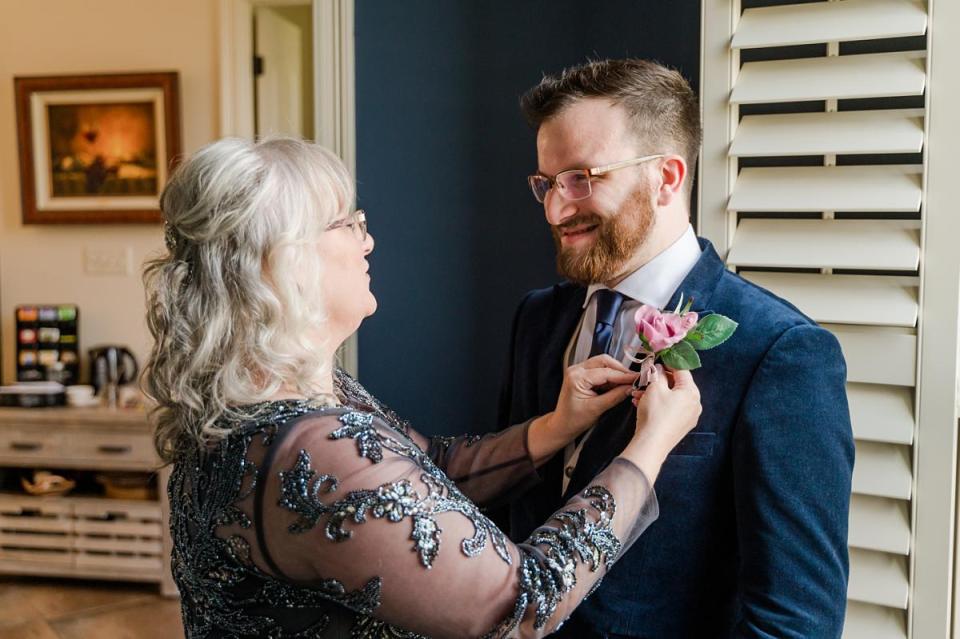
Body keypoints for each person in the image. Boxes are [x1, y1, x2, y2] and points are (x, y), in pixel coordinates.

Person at [143, 136, 701, 638]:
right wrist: (649, 446)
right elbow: (524, 604)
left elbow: (429, 467)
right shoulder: (313, 452)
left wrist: (557, 426)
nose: (368, 241)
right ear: (281, 261)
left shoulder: (272, 397)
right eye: (347, 224)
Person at [498, 58, 854, 638]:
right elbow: (500, 514)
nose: (556, 209)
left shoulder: (781, 353)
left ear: (666, 177)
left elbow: (795, 623)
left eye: (582, 178)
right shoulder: (537, 319)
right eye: (547, 183)